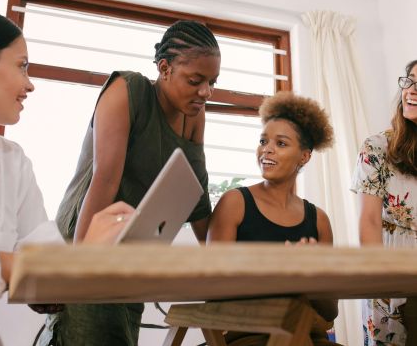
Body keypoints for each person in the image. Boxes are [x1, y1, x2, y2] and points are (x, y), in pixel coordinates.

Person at [0, 5, 133, 346]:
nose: (29, 84)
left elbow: (46, 276)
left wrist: (84, 259)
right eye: (22, 66)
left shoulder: (12, 162)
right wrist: (18, 266)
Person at [45, 20, 220, 346]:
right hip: (87, 239)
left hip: (133, 250)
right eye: (196, 80)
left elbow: (197, 194)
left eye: (212, 82)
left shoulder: (194, 114)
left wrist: (224, 258)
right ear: (165, 69)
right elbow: (104, 181)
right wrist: (76, 269)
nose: (206, 92)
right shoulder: (127, 90)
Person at [207, 92, 339, 335]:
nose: (266, 150)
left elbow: (330, 311)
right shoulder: (234, 203)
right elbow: (212, 289)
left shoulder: (319, 220)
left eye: (281, 143)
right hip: (247, 337)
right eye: (263, 141)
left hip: (305, 337)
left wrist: (311, 275)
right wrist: (282, 272)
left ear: (304, 156)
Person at [351, 60, 417, 346]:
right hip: (392, 268)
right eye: (410, 81)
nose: (411, 91)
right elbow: (369, 220)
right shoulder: (377, 147)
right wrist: (379, 278)